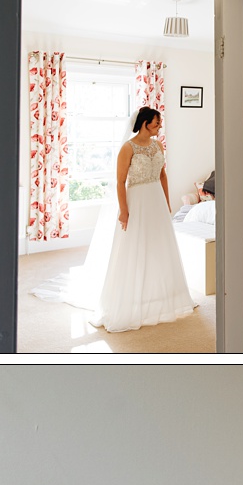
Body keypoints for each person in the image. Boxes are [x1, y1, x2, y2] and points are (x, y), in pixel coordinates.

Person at [71, 107, 198, 333]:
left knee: (159, 246)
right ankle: (128, 300)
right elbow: (120, 182)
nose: (160, 127)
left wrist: (166, 202)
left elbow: (162, 175)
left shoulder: (158, 146)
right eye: (157, 123)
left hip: (156, 201)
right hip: (137, 201)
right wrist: (123, 210)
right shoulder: (127, 148)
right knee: (134, 247)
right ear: (145, 123)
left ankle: (160, 297)